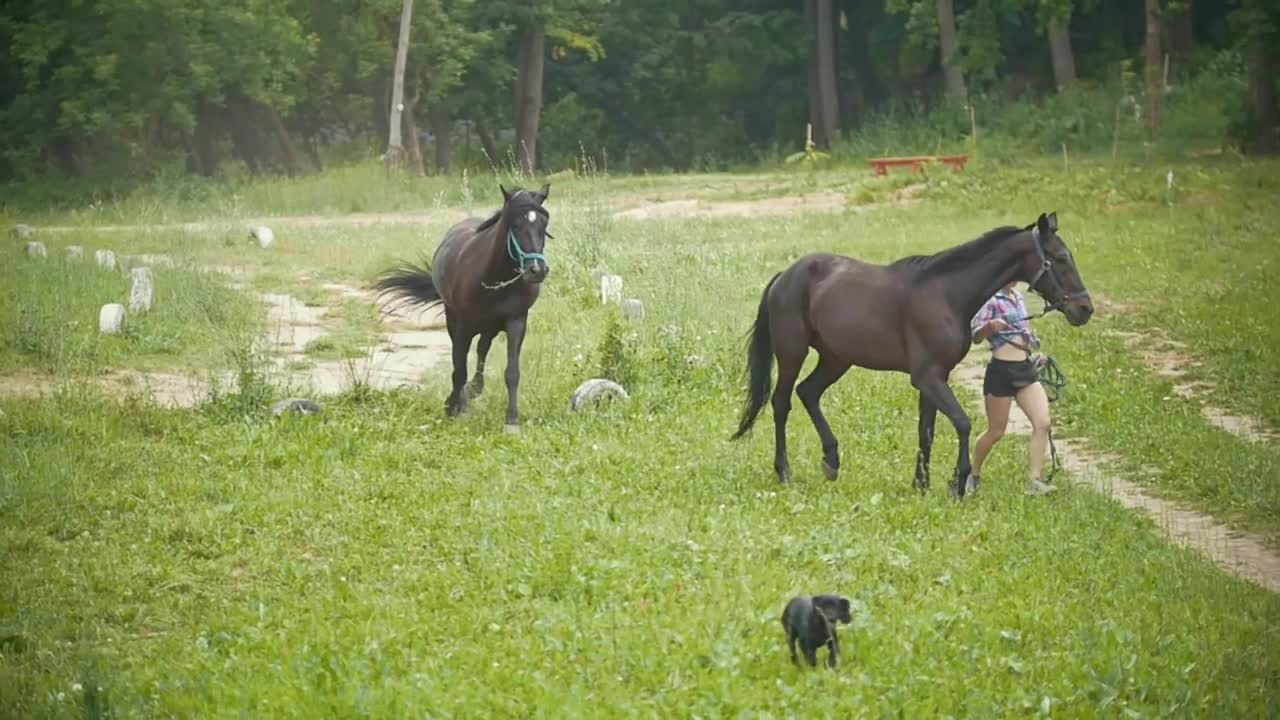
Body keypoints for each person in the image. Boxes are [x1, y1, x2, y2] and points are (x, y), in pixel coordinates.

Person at [966, 282, 1056, 496]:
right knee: (996, 431)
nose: (1015, 279)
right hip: (1001, 372)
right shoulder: (991, 299)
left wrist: (1033, 350)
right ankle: (973, 473)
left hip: (1024, 369)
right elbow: (975, 336)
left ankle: (1034, 480)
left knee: (1042, 423)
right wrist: (989, 327)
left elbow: (1023, 332)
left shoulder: (1018, 297)